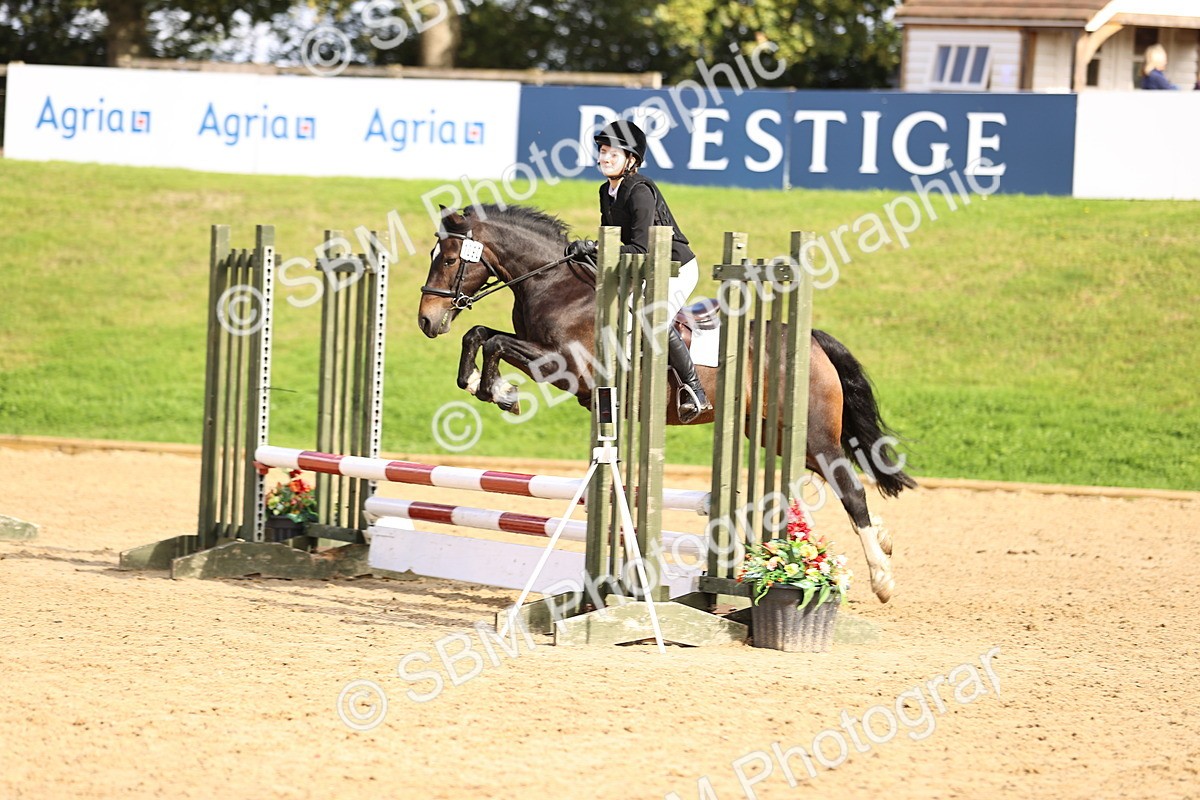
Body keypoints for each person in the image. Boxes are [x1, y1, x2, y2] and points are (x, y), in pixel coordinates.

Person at [565, 119, 712, 423]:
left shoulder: (640, 191)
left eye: (613, 154)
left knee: (652, 318)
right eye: (603, 151)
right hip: (644, 269)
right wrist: (585, 253)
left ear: (630, 160)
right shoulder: (607, 191)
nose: (605, 157)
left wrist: (596, 247)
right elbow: (614, 243)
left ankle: (695, 390)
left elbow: (641, 249)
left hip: (675, 268)